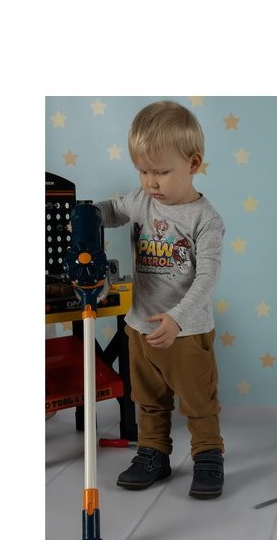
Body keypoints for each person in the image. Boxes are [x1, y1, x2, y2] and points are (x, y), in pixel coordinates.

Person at [95, 100, 226, 499]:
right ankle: (153, 453)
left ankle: (208, 456)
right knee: (148, 398)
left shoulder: (205, 219)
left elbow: (207, 277)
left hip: (186, 331)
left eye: (161, 172)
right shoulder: (141, 200)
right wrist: (87, 216)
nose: (151, 182)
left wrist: (178, 317)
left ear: (193, 163)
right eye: (143, 171)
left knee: (198, 400)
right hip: (141, 326)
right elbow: (113, 210)